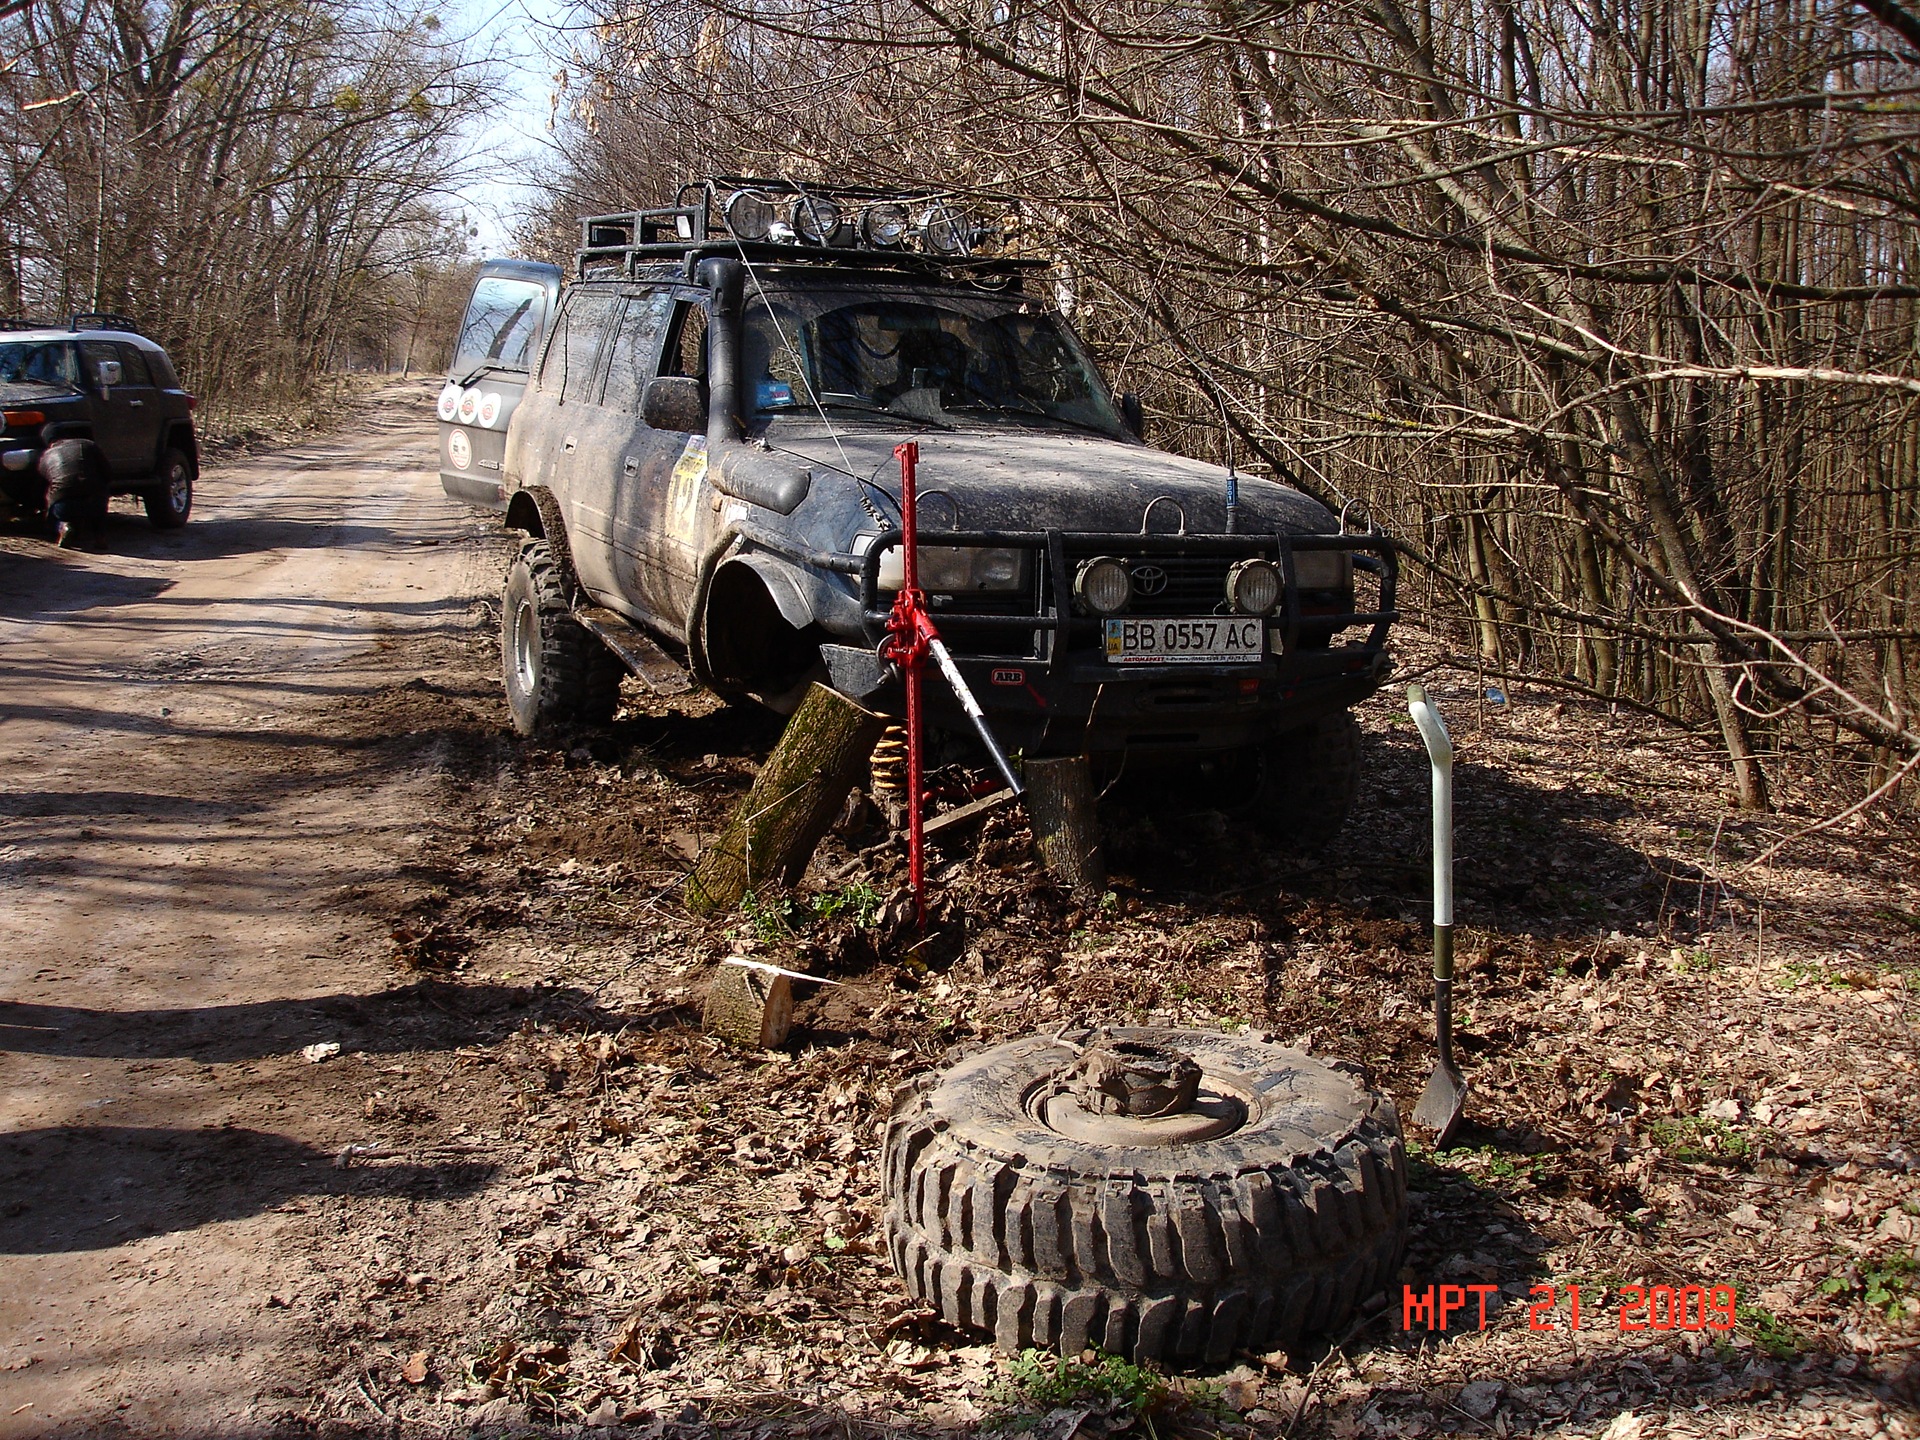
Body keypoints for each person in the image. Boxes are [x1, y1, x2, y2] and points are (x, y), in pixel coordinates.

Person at [39, 437, 109, 548]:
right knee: (98, 495)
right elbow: (106, 471)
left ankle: (64, 525)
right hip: (93, 498)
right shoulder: (87, 444)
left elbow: (45, 482)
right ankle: (99, 536)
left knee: (52, 493)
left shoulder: (46, 456)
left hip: (64, 501)